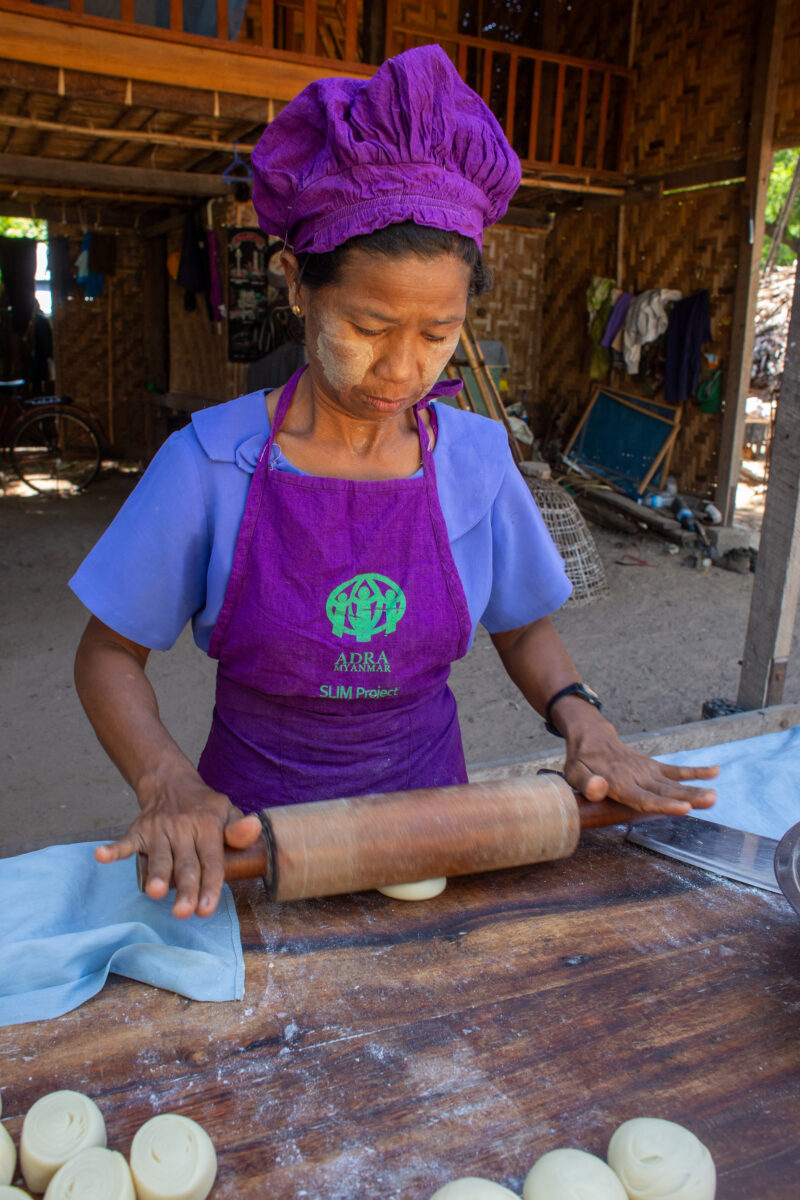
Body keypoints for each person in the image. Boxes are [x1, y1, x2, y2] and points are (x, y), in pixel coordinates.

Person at [71, 46, 717, 920]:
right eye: (370, 326)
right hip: (249, 836)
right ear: (297, 286)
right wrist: (166, 781)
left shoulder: (478, 461)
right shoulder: (211, 462)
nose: (402, 368)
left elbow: (523, 630)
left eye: (438, 334)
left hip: (429, 820)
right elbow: (108, 655)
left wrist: (583, 720)